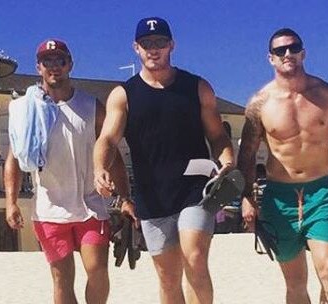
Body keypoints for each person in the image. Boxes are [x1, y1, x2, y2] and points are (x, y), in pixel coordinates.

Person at [94, 17, 234, 304]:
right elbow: (107, 139)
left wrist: (228, 164)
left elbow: (219, 137)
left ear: (172, 45)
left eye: (160, 43)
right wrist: (99, 168)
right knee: (168, 278)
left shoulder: (197, 88)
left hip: (196, 190)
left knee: (194, 257)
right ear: (136, 48)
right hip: (152, 197)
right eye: (147, 44)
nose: (153, 49)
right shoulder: (123, 95)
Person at [237, 28, 328, 304]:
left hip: (323, 193)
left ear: (303, 53)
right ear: (270, 58)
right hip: (279, 198)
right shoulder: (260, 103)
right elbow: (246, 156)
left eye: (293, 48)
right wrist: (246, 197)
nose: (287, 54)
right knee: (295, 283)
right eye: (280, 50)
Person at [4, 39, 129, 304]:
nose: (54, 67)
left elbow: (113, 152)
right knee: (61, 279)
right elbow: (13, 160)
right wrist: (10, 202)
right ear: (38, 67)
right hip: (49, 209)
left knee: (97, 272)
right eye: (47, 61)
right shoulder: (27, 109)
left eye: (60, 60)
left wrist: (126, 197)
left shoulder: (91, 106)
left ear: (69, 64)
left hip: (90, 205)